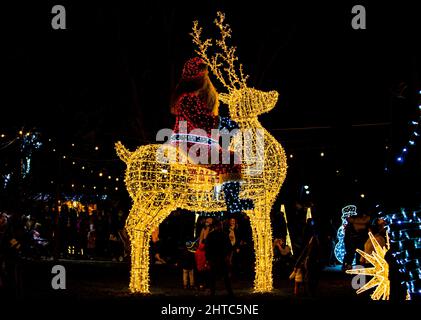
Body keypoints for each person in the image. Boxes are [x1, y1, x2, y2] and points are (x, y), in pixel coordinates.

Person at [170, 57, 253, 216]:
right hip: (190, 143)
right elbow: (201, 120)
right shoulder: (187, 99)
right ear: (197, 77)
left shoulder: (193, 98)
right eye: (203, 74)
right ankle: (233, 202)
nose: (206, 78)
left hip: (199, 142)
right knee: (231, 159)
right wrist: (224, 122)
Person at [205, 220, 234, 296]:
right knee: (222, 276)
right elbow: (229, 247)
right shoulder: (221, 235)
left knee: (216, 276)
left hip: (217, 258)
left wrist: (208, 259)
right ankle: (228, 292)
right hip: (219, 258)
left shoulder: (214, 235)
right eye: (220, 225)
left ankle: (214, 292)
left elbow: (207, 248)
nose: (220, 227)